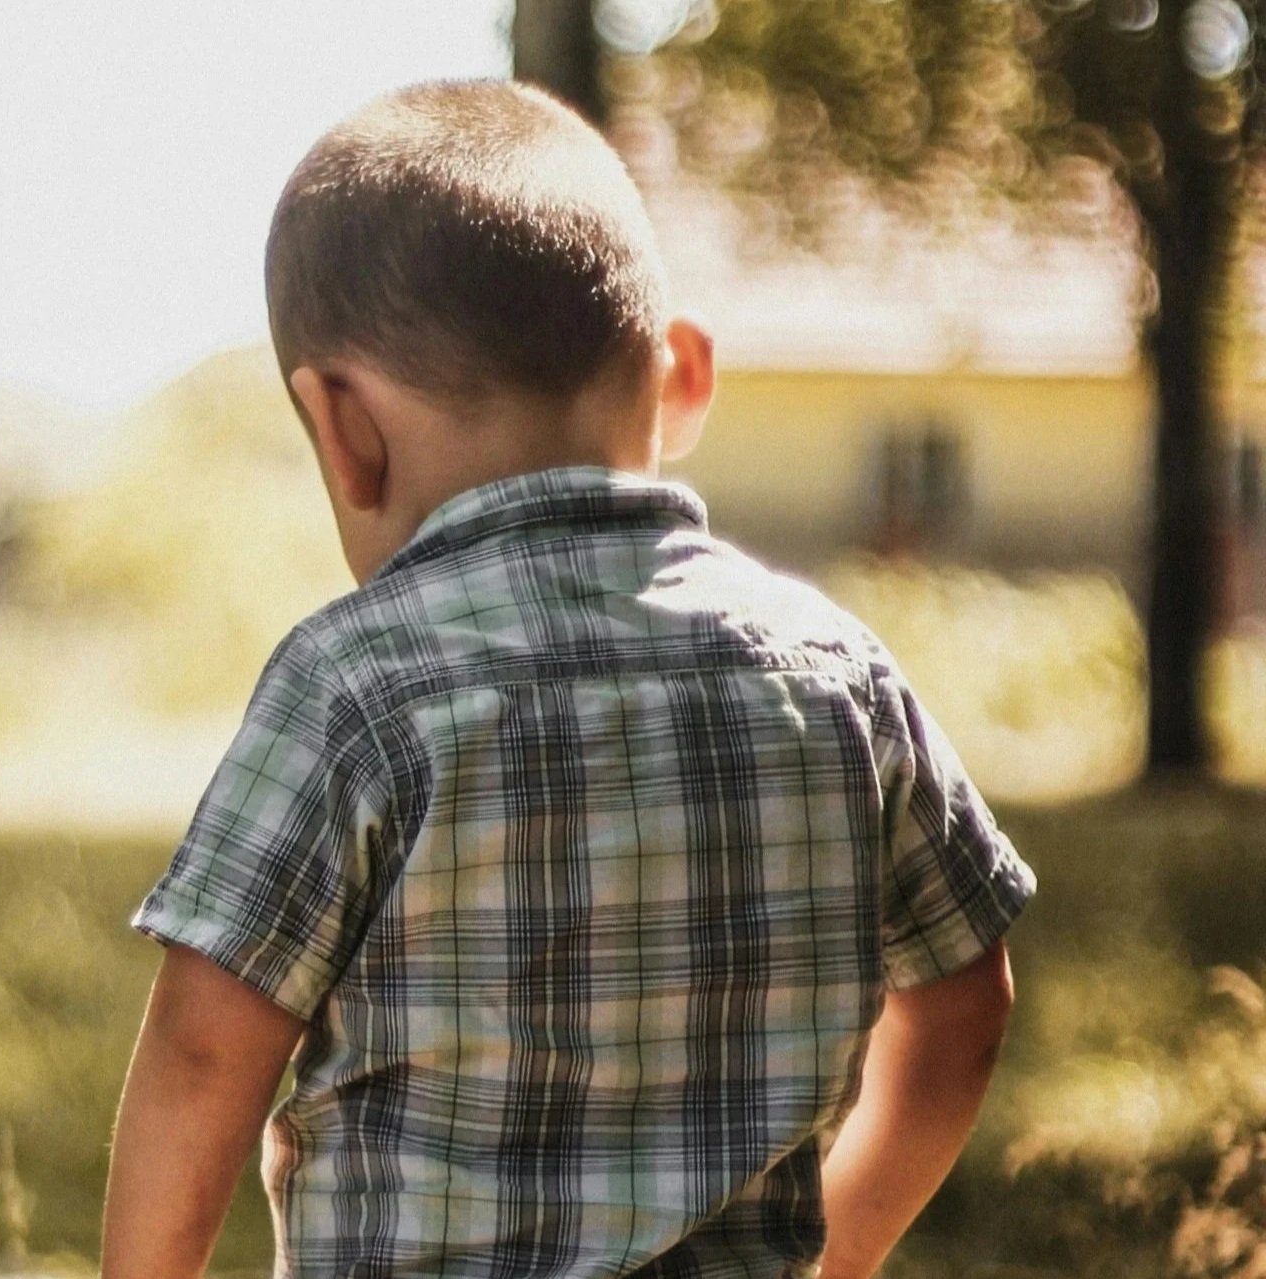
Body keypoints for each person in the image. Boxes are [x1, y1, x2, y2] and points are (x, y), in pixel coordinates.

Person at [101, 79, 1035, 1279]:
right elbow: (964, 1007)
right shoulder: (839, 676)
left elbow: (199, 1057)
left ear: (342, 426)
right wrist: (838, 1248)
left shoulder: (355, 684)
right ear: (682, 374)